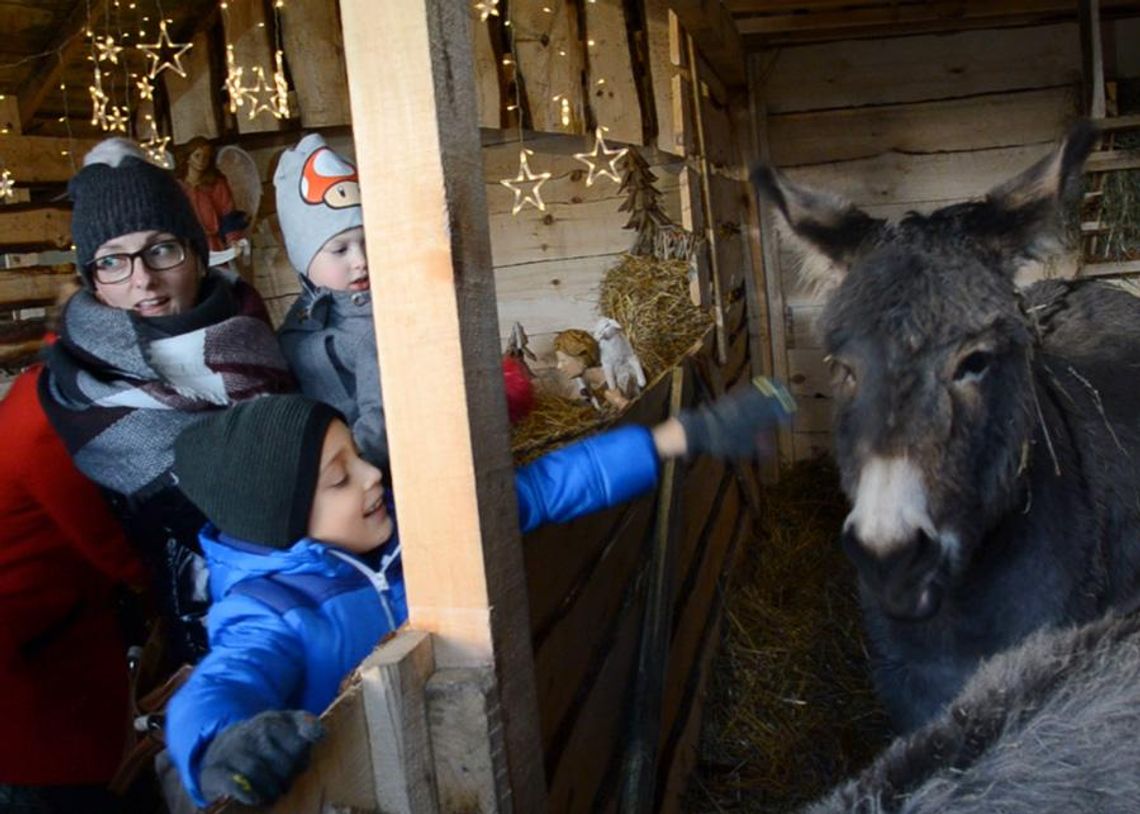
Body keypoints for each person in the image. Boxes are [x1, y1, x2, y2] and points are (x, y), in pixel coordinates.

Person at [165, 381, 794, 808]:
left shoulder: (415, 534)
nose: (372, 473)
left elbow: (540, 488)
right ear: (283, 521)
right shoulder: (272, 613)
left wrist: (678, 437)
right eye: (340, 476)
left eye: (357, 455)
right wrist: (216, 750)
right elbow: (223, 682)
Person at [38, 137, 295, 664]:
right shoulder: (76, 389)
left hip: (314, 600)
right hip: (202, 645)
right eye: (113, 262)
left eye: (161, 250)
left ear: (197, 255)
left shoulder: (264, 340)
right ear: (92, 279)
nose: (143, 281)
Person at [0, 363, 149, 814]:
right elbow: (108, 548)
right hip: (43, 697)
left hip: (58, 644)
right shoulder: (40, 415)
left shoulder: (42, 392)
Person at [273, 133, 387, 466]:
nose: (360, 260)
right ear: (303, 259)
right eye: (340, 249)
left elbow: (383, 416)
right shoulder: (301, 319)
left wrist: (344, 467)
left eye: (367, 243)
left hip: (365, 473)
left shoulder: (375, 325)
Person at [175, 136, 247, 253]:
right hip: (187, 244)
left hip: (214, 244)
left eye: (206, 157)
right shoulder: (177, 186)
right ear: (188, 158)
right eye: (197, 155)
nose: (201, 160)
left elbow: (228, 214)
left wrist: (233, 239)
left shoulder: (216, 184)